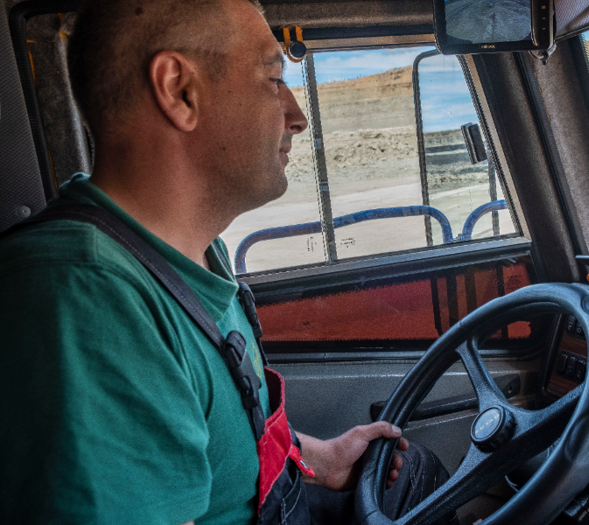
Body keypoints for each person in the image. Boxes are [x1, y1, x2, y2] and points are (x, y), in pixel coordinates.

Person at [0, 0, 456, 524]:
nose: (297, 116)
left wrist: (319, 461)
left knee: (417, 476)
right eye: (271, 79)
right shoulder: (85, 300)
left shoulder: (188, 253)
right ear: (180, 90)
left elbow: (223, 430)